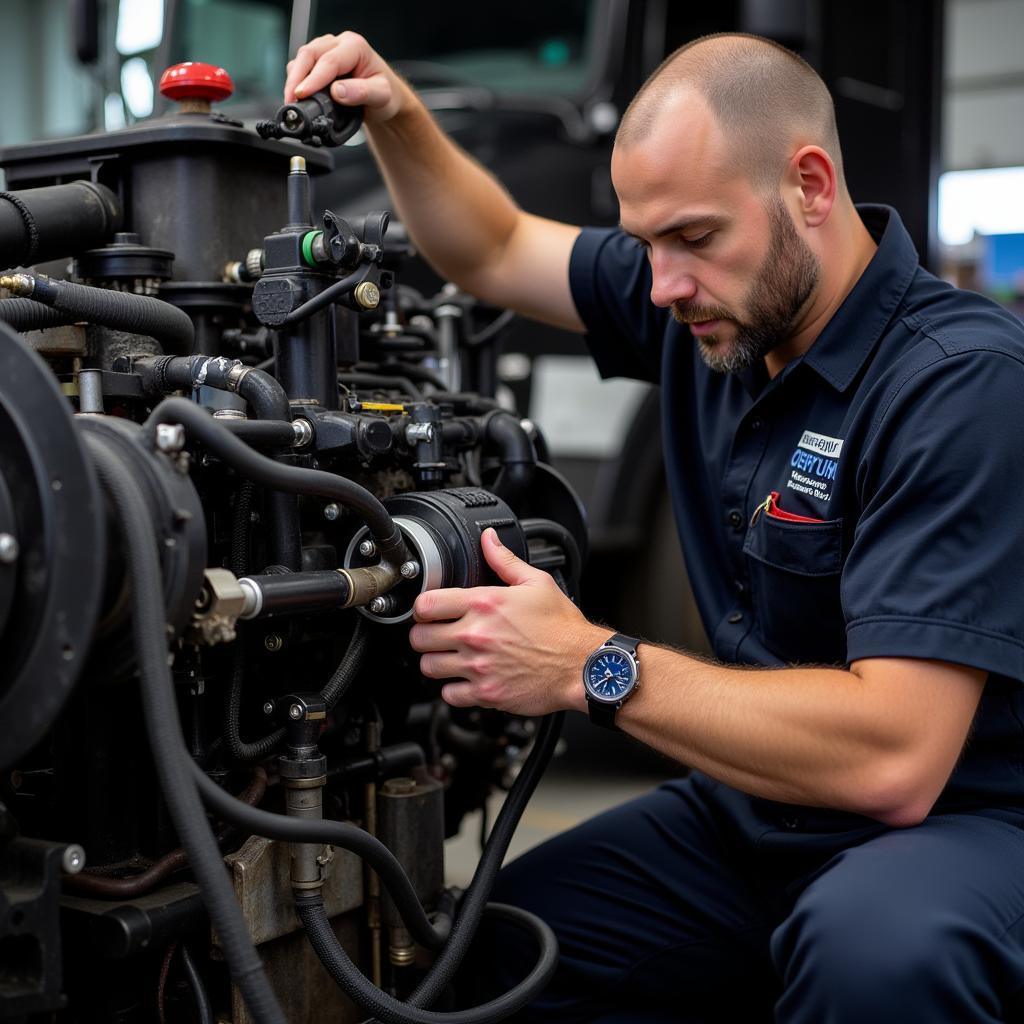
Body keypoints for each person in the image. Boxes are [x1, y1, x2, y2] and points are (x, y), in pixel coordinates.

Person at [285, 31, 1024, 1022]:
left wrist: (594, 662)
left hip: (967, 821)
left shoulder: (958, 386)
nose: (662, 285)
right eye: (644, 246)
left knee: (876, 955)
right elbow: (495, 245)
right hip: (757, 811)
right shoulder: (715, 302)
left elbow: (893, 758)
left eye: (693, 238)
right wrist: (396, 114)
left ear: (809, 185)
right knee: (492, 955)